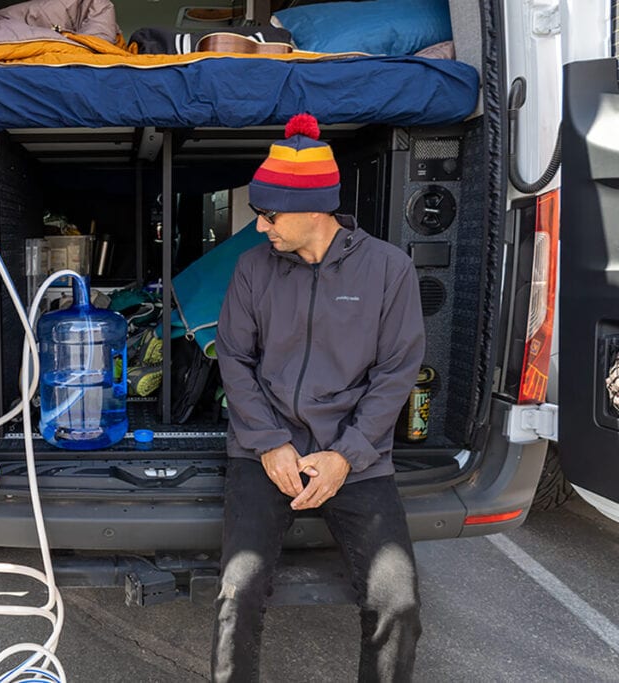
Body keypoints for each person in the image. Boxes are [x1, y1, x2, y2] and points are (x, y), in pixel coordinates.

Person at [211, 112, 426, 682]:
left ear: (314, 210)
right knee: (239, 591)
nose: (260, 228)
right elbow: (234, 359)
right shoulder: (253, 270)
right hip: (265, 452)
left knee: (397, 601)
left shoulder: (388, 269)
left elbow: (397, 370)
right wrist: (268, 443)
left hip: (355, 456)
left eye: (268, 214)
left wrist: (346, 454)